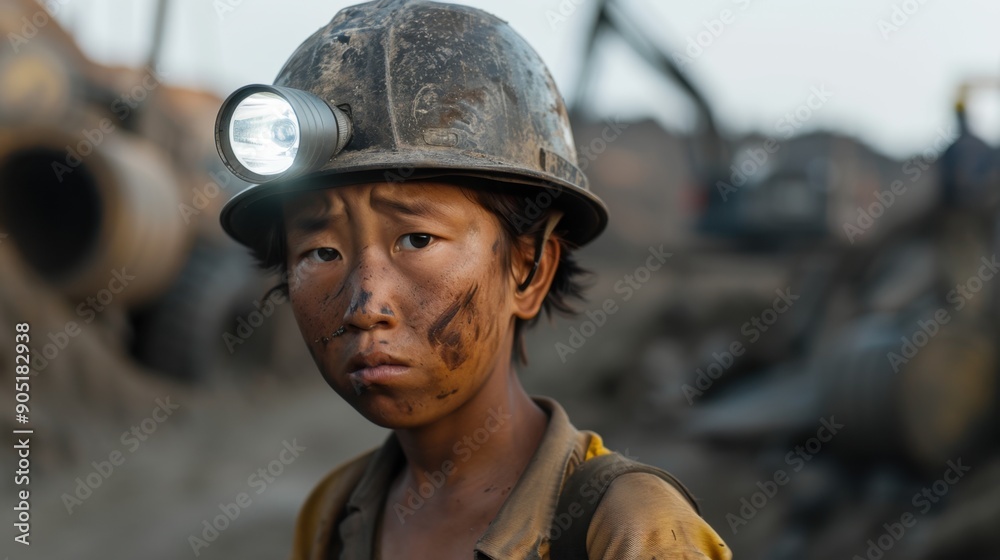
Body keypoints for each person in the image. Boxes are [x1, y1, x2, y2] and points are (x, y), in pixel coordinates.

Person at [214, 1, 732, 558]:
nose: (365, 305)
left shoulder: (629, 528)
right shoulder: (333, 515)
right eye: (322, 252)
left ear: (530, 270)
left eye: (417, 239)